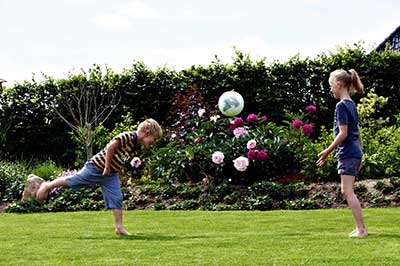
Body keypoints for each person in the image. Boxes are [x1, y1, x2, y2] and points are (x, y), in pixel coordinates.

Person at [36, 119, 162, 235]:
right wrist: (106, 167)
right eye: (154, 139)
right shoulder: (127, 136)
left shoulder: (135, 146)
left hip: (111, 175)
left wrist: (118, 176)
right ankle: (47, 185)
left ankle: (119, 227)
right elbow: (111, 148)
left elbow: (120, 161)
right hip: (96, 167)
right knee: (75, 181)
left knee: (117, 197)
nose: (153, 143)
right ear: (147, 133)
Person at [316, 69, 368, 237]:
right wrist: (360, 152)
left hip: (348, 152)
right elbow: (357, 131)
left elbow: (343, 133)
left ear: (338, 85)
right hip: (354, 151)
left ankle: (361, 229)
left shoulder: (341, 106)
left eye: (331, 86)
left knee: (347, 191)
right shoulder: (351, 104)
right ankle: (360, 228)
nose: (331, 90)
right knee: (347, 190)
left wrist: (327, 151)